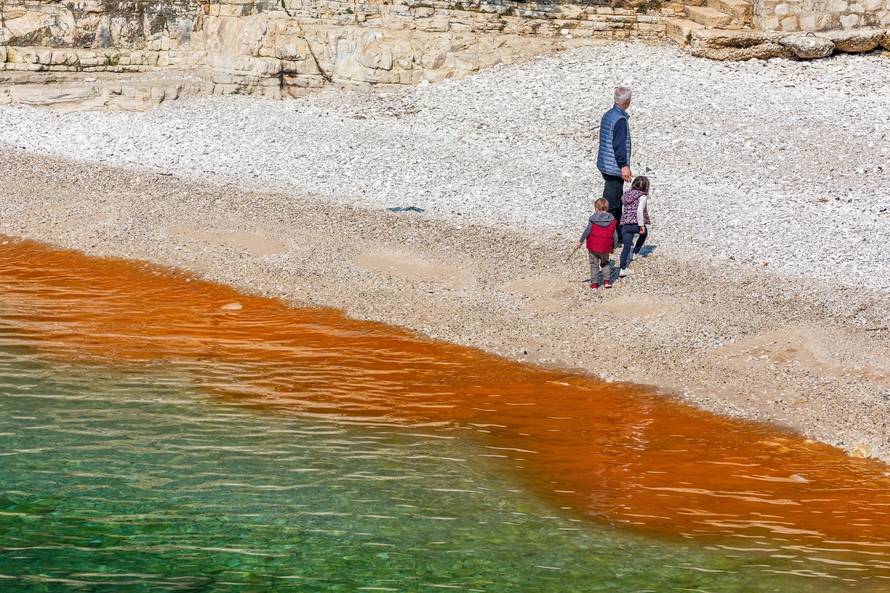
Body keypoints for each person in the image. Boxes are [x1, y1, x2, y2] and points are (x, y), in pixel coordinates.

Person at [596, 86, 633, 245]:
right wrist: (624, 166)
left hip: (605, 163)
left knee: (615, 199)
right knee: (612, 204)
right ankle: (607, 237)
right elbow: (619, 145)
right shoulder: (619, 120)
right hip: (614, 167)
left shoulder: (609, 115)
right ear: (627, 102)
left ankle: (617, 234)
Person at [576, 198, 618, 289]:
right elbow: (615, 235)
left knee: (594, 265)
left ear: (596, 208)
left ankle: (594, 283)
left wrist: (580, 242)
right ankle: (606, 281)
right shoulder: (611, 220)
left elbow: (587, 231)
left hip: (593, 247)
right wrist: (614, 246)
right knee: (605, 263)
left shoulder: (593, 219)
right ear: (607, 208)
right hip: (605, 248)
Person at [618, 176, 651, 278]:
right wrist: (641, 225)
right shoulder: (642, 196)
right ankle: (635, 252)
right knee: (644, 233)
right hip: (635, 224)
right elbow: (639, 211)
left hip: (625, 224)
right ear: (645, 186)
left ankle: (622, 269)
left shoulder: (626, 194)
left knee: (626, 247)